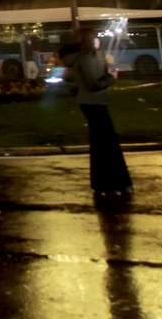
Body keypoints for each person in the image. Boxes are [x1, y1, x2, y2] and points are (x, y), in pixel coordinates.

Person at [61, 27, 132, 197]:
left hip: (96, 102)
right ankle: (110, 182)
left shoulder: (93, 56)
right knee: (106, 143)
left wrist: (108, 72)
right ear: (89, 41)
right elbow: (93, 85)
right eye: (95, 38)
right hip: (93, 103)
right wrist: (111, 78)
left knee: (104, 143)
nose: (98, 40)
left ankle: (108, 183)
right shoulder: (85, 59)